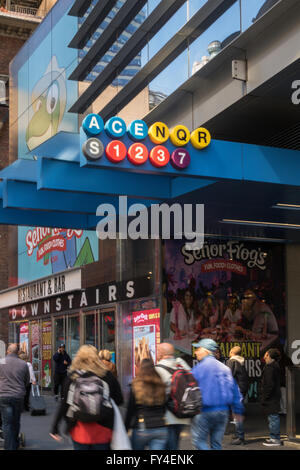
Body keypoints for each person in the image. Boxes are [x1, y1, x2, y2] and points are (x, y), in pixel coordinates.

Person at [50, 344, 123, 450]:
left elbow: (64, 404)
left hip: (80, 430)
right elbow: (119, 400)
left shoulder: (73, 377)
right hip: (103, 429)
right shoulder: (107, 375)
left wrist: (55, 427)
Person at [191, 338, 244, 450]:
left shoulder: (199, 369)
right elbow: (234, 390)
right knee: (216, 444)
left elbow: (191, 390)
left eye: (198, 349)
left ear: (206, 351)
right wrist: (237, 410)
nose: (196, 352)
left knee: (198, 441)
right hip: (223, 412)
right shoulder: (224, 368)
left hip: (205, 411)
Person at [125, 358, 168, 450]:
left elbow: (130, 410)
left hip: (142, 427)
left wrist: (126, 428)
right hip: (161, 427)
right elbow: (165, 407)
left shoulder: (135, 386)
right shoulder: (161, 385)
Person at [155, 343, 191, 450]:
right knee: (174, 442)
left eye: (157, 351)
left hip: (167, 416)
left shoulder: (157, 369)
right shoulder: (182, 365)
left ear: (161, 353)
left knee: (169, 446)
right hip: (183, 412)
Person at [0, 343, 30, 450]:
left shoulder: (1, 362)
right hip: (18, 396)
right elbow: (27, 381)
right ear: (17, 352)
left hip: (4, 395)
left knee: (7, 423)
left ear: (7, 351)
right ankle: (15, 443)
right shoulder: (23, 364)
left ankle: (9, 447)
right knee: (16, 421)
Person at [227, 346, 249, 445]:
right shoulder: (241, 361)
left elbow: (229, 376)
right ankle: (238, 434)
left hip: (236, 391)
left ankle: (240, 437)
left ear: (231, 352)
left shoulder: (232, 361)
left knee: (237, 414)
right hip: (242, 389)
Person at [261, 348, 282, 447]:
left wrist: (265, 397)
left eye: (265, 354)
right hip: (274, 396)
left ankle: (275, 439)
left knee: (273, 417)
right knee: (273, 417)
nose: (264, 356)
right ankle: (274, 437)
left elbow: (269, 384)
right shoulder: (275, 366)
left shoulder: (270, 367)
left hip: (271, 398)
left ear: (268, 355)